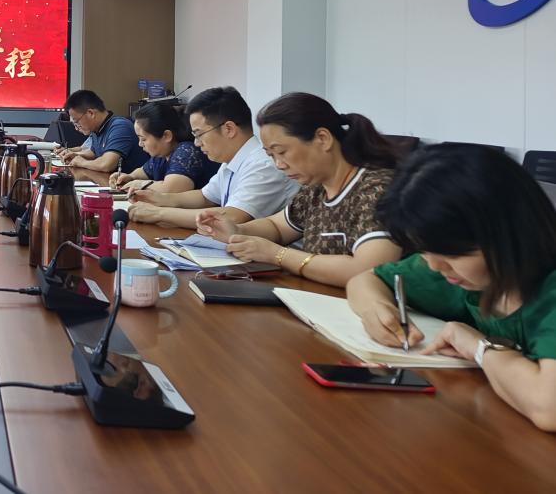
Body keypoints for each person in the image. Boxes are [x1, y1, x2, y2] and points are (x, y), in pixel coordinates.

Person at [347, 144, 556, 432]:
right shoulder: (462, 273)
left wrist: (479, 347)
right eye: (424, 251)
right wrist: (378, 309)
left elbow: (548, 407)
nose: (435, 266)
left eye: (452, 254)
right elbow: (364, 280)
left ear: (509, 232)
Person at [196, 92, 402, 286]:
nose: (279, 164)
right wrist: (238, 231)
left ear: (323, 139)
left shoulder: (376, 189)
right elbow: (277, 227)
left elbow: (367, 270)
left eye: (282, 152)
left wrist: (278, 255)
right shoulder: (316, 189)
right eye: (271, 156)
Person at [128, 86, 297, 228]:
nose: (196, 143)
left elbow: (233, 217)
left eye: (199, 134)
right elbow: (205, 197)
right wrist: (159, 198)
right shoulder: (232, 160)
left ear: (228, 129)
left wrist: (159, 213)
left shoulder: (263, 164)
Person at [109, 102, 218, 194]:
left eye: (143, 139)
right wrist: (128, 177)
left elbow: (171, 189)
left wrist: (140, 184)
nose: (140, 144)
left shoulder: (187, 151)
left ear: (166, 136)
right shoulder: (161, 155)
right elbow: (142, 172)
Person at [53, 89, 148, 174]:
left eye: (76, 121)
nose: (76, 127)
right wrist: (75, 155)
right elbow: (94, 153)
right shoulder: (97, 129)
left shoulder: (120, 126)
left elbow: (107, 165)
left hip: (132, 184)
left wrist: (82, 162)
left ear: (90, 113)